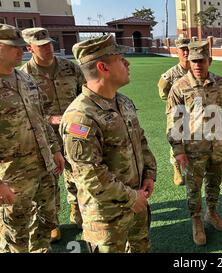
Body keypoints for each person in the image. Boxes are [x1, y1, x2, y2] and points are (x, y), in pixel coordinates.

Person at [61, 34, 157, 253]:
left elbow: (140, 140)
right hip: (107, 218)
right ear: (103, 67)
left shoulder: (123, 102)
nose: (127, 62)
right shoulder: (80, 116)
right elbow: (89, 174)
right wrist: (131, 197)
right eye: (121, 58)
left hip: (137, 205)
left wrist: (149, 173)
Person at [167, 41, 222, 246]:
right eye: (194, 61)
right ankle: (196, 220)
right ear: (188, 62)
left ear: (210, 61)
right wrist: (178, 150)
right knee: (193, 187)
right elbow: (174, 122)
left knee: (214, 182)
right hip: (192, 149)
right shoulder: (179, 87)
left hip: (216, 147)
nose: (198, 64)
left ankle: (212, 213)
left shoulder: (221, 83)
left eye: (202, 61)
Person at [0, 24, 64, 253]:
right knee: (15, 233)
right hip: (12, 177)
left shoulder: (25, 80)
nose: (21, 51)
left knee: (46, 221)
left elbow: (41, 118)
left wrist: (55, 150)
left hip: (44, 168)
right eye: (14, 47)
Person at [21, 27, 86, 241]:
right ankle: (52, 221)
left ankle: (77, 207)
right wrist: (51, 120)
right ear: (30, 48)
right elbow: (27, 112)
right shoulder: (24, 76)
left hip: (75, 129)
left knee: (78, 169)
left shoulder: (70, 68)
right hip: (44, 134)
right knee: (49, 178)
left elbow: (85, 97)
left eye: (49, 43)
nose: (48, 48)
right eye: (41, 46)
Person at [158, 37, 190, 186]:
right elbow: (163, 93)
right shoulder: (170, 75)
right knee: (177, 139)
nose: (186, 52)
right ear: (177, 52)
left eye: (188, 49)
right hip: (177, 112)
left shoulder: (197, 70)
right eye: (182, 50)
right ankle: (176, 167)